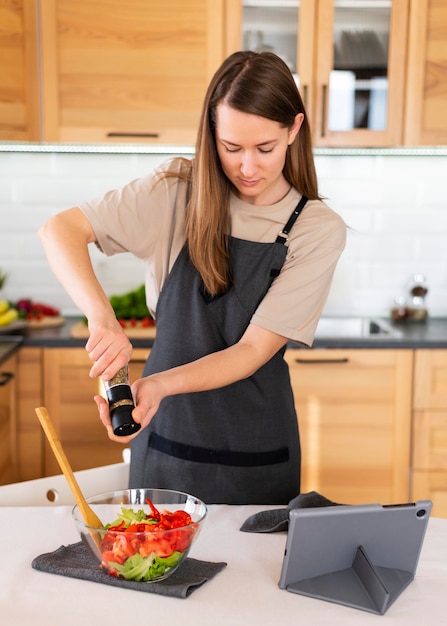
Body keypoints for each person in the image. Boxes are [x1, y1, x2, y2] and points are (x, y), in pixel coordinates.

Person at [39, 51, 346, 505]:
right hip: (165, 444)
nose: (247, 167)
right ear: (211, 133)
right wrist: (101, 318)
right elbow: (59, 230)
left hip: (257, 452)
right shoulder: (177, 191)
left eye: (264, 149)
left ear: (294, 130)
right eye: (231, 147)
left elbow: (250, 351)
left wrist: (160, 385)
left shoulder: (315, 228)